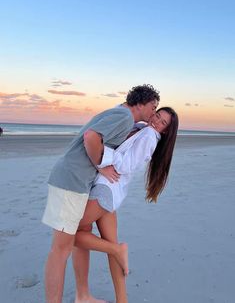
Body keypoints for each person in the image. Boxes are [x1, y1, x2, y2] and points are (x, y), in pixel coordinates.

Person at [42, 84, 160, 303]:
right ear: (141, 103)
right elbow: (90, 137)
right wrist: (100, 165)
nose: (154, 113)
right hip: (72, 180)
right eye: (153, 107)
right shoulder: (125, 116)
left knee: (75, 238)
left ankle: (83, 295)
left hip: (79, 182)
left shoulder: (121, 113)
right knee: (60, 250)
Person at [72, 107, 179, 303]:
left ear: (165, 131)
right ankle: (122, 300)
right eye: (157, 115)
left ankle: (117, 251)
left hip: (105, 190)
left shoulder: (149, 135)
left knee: (70, 232)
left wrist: (102, 152)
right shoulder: (141, 127)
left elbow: (126, 165)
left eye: (163, 122)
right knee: (109, 242)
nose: (156, 121)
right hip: (109, 190)